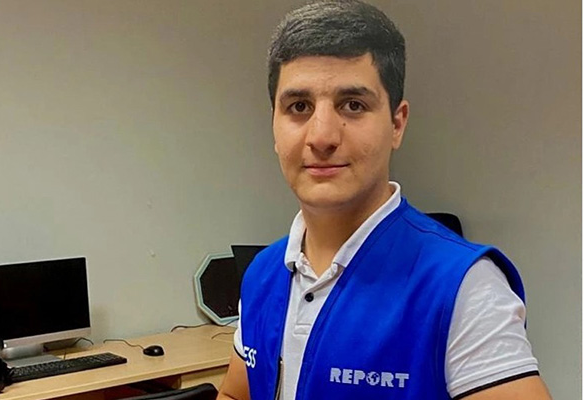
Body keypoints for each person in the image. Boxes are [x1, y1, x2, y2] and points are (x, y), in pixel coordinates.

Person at [217, 1, 552, 399]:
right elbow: (236, 393)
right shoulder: (262, 274)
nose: (321, 136)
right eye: (299, 107)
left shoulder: (462, 287)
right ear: (274, 124)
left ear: (396, 123)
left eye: (353, 105)